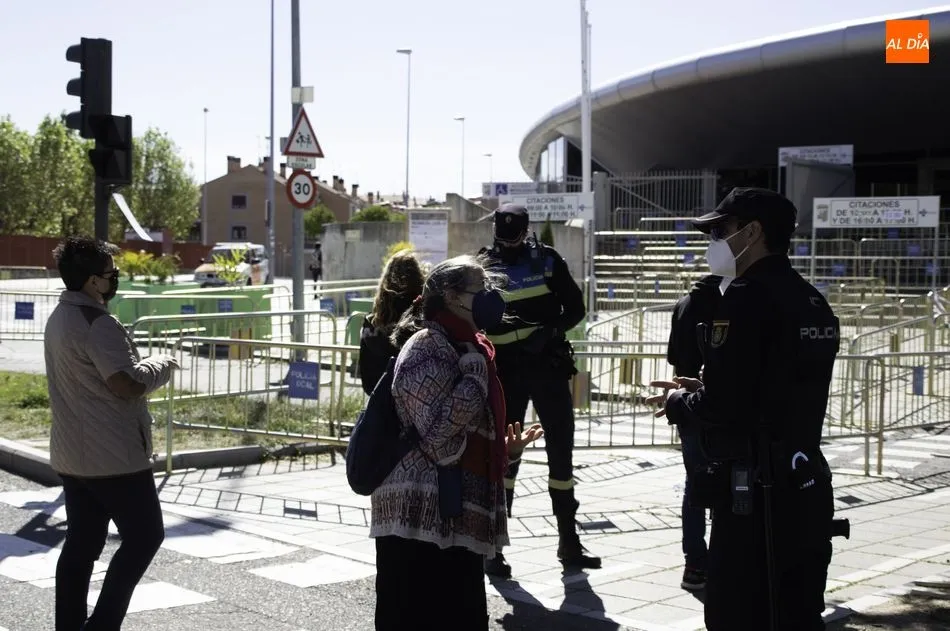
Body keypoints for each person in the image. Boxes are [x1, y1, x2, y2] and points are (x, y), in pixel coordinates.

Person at [646, 188, 841, 631]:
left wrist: (681, 401)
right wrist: (708, 385)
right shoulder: (810, 298)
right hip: (805, 477)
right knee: (797, 608)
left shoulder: (745, 298)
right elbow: (774, 385)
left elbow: (726, 406)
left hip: (755, 490)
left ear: (752, 232)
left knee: (739, 610)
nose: (713, 240)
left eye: (720, 230)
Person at [370, 254, 542, 631]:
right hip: (415, 522)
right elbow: (437, 438)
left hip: (454, 519)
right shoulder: (425, 347)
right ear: (451, 297)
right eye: (480, 289)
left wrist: (504, 453)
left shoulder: (470, 348)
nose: (490, 297)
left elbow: (462, 432)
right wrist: (475, 373)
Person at [44, 236, 180, 631]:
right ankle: (102, 625)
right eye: (110, 274)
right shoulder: (98, 323)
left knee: (81, 546)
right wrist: (163, 363)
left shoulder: (60, 316)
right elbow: (127, 383)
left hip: (74, 455)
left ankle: (69, 625)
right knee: (145, 537)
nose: (115, 279)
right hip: (115, 457)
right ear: (91, 282)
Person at [479, 203, 601, 577]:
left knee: (561, 456)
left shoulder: (547, 261)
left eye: (514, 235)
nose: (509, 242)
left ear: (526, 230)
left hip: (545, 366)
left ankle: (569, 541)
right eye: (504, 234)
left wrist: (548, 332)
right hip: (506, 372)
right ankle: (494, 547)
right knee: (505, 459)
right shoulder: (483, 266)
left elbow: (576, 309)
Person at [666, 273, 721, 591]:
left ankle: (694, 562)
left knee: (695, 482)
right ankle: (722, 557)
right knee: (728, 479)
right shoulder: (727, 303)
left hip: (686, 406)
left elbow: (674, 356)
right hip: (714, 403)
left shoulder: (684, 303)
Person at [358, 249, 425, 395]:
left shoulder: (371, 323)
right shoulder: (422, 320)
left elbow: (366, 375)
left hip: (379, 402)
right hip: (413, 401)